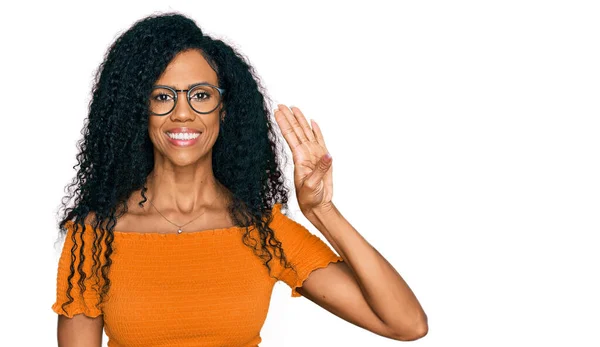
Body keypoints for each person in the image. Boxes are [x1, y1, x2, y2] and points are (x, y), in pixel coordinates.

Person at [51, 12, 428, 346]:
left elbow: (406, 325)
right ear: (139, 110)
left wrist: (322, 211)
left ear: (225, 109)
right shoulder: (95, 236)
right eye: (162, 96)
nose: (183, 113)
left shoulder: (263, 232)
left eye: (201, 95)